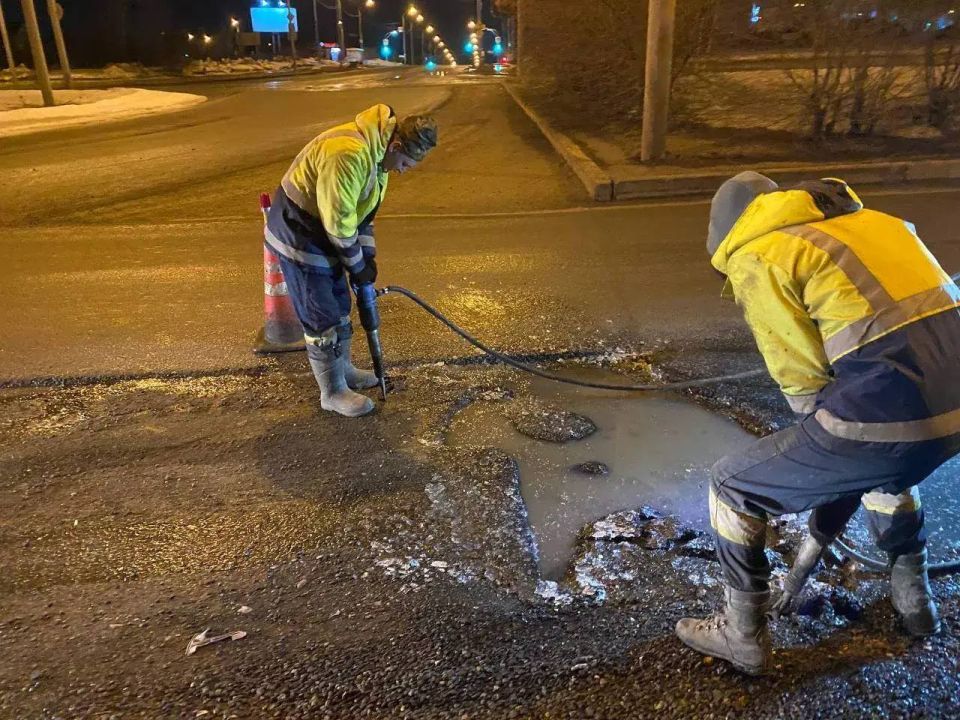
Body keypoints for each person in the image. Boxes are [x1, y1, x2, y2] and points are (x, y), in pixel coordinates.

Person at [676, 172, 960, 675]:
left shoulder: (761, 253)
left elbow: (802, 382)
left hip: (890, 415)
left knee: (729, 486)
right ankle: (916, 603)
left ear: (725, 233)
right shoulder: (876, 223)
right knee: (883, 467)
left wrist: (824, 479)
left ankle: (742, 637)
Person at [264, 105, 438, 417]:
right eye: (405, 164)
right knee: (322, 315)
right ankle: (331, 392)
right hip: (300, 233)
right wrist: (356, 266)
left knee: (341, 306)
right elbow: (340, 224)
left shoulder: (378, 159)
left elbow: (362, 215)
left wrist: (367, 259)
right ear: (396, 146)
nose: (402, 171)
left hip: (324, 231)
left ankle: (342, 371)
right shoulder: (349, 153)